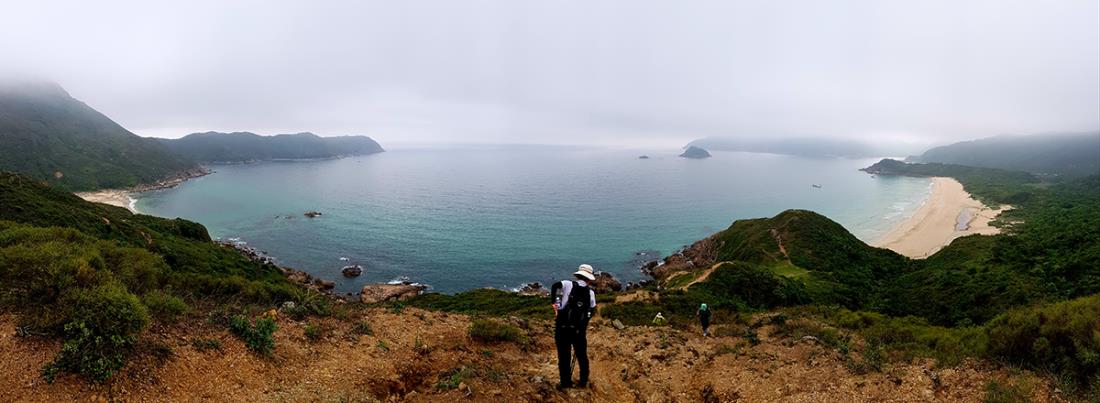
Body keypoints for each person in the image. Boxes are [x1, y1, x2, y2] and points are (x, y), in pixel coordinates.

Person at [550, 264, 597, 390]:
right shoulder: (591, 293)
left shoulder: (567, 284)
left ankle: (566, 384)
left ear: (578, 275)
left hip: (562, 327)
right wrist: (583, 325)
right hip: (579, 331)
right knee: (582, 356)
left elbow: (555, 286)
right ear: (589, 279)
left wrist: (556, 303)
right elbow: (591, 311)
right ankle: (583, 382)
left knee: (564, 357)